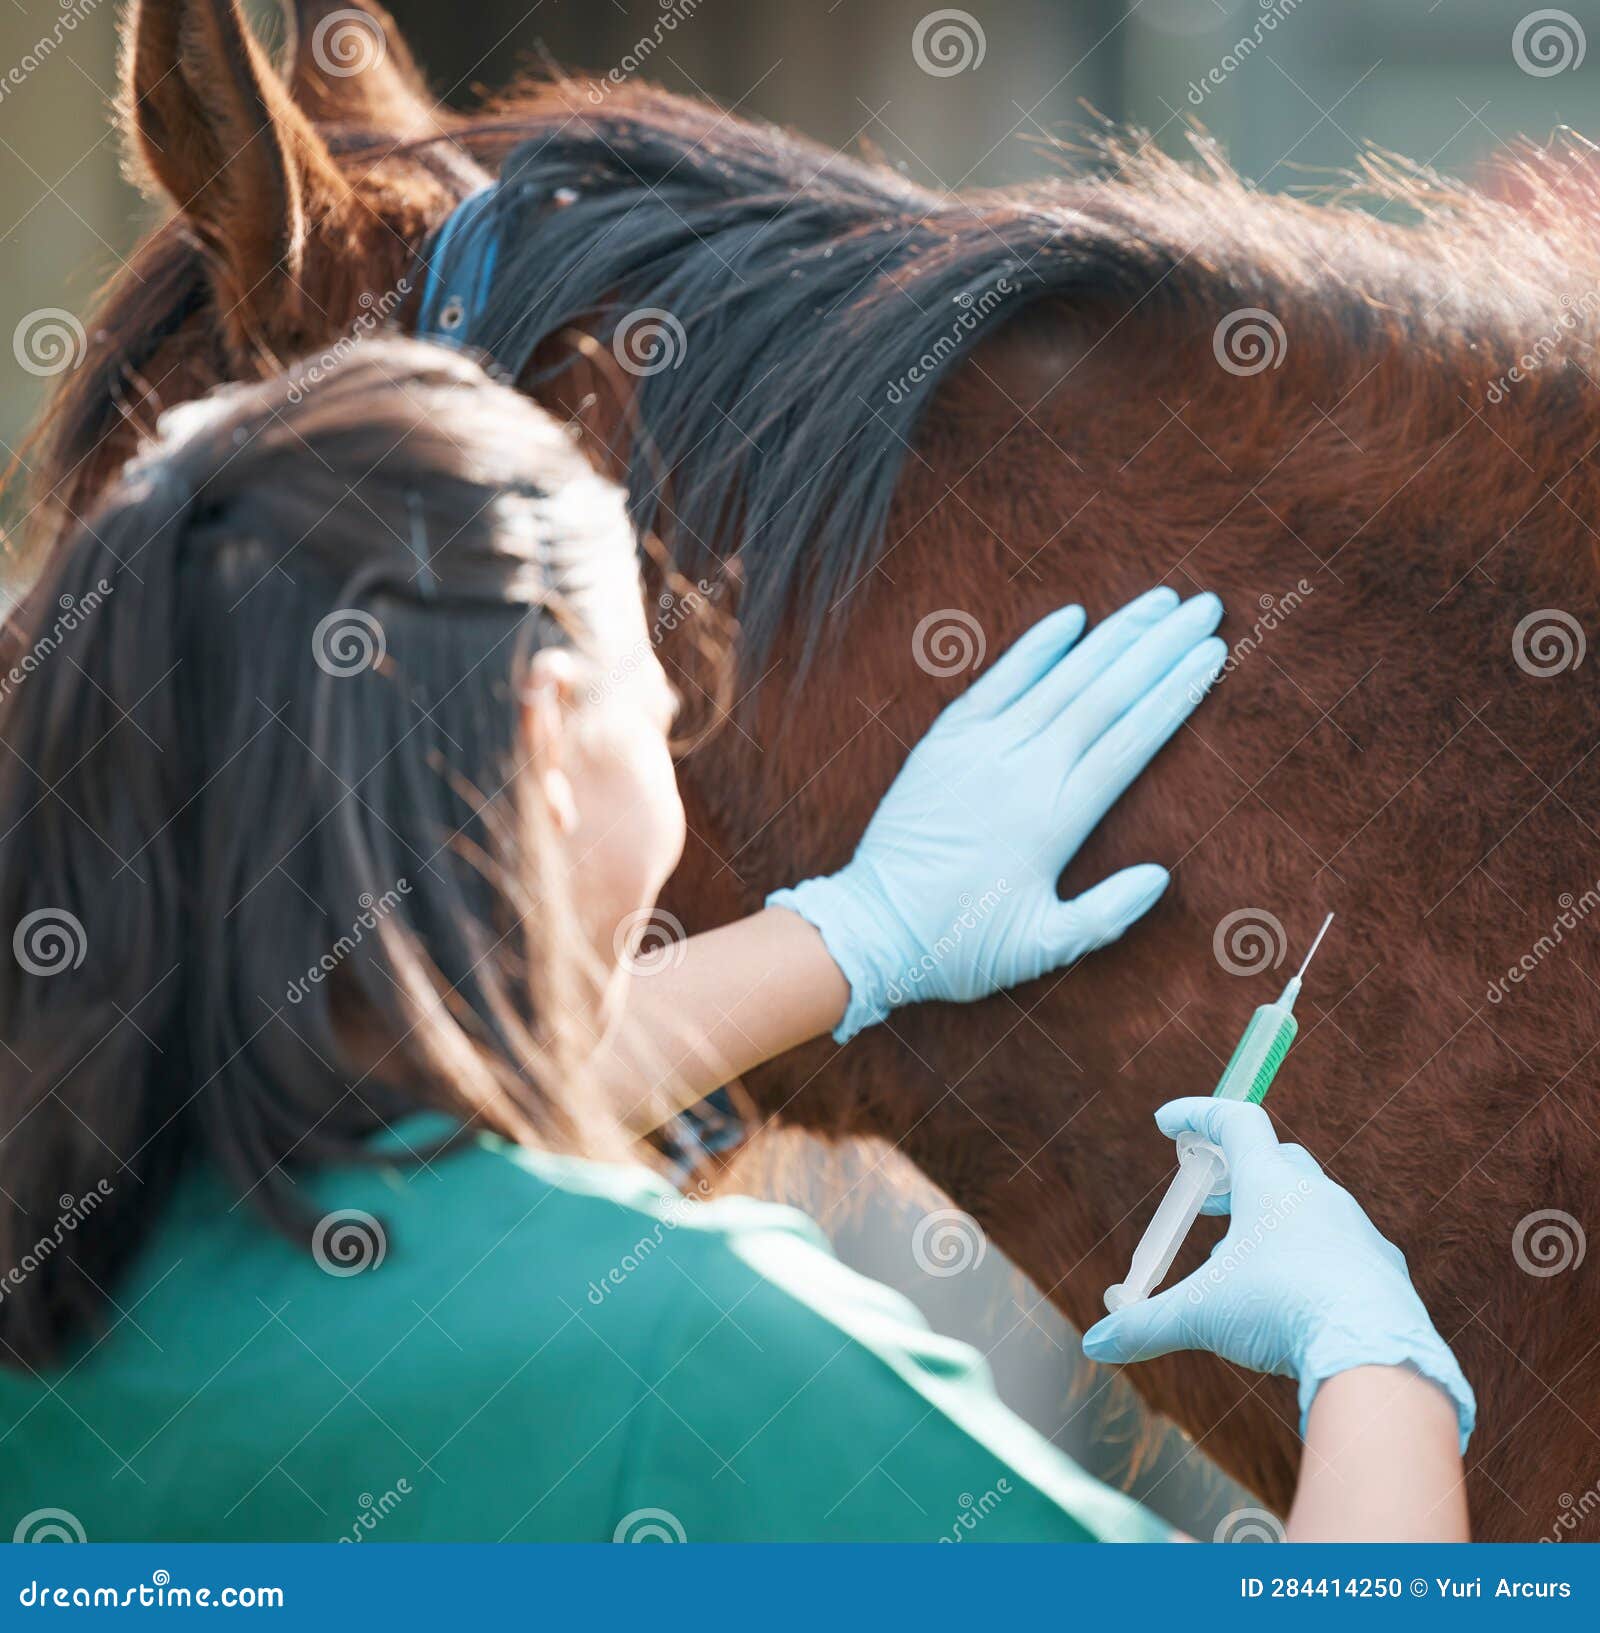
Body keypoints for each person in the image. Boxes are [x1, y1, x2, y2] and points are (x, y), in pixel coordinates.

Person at [0, 340, 1472, 1543]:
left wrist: (859, 933)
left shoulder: (63, 1269)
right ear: (546, 735)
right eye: (660, 713)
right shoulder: (691, 1365)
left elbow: (346, 1139)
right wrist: (1374, 1358)